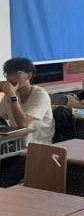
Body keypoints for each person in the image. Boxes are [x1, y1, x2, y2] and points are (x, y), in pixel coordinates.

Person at [0, 57, 54, 187]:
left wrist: (12, 96)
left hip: (35, 151)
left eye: (15, 73)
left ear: (28, 75)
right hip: (14, 148)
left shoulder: (40, 95)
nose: (10, 78)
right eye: (7, 74)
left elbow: (23, 124)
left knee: (2, 183)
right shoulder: (11, 94)